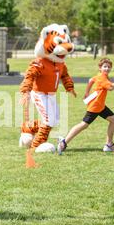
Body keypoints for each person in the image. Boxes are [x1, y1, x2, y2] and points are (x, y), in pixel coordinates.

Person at [19, 24, 76, 152]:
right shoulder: (39, 63)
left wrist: (69, 87)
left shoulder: (60, 64)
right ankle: (37, 145)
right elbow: (29, 76)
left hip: (51, 94)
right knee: (48, 119)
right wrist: (25, 91)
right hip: (39, 94)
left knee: (54, 120)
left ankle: (28, 128)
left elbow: (65, 76)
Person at [57, 58, 114, 154]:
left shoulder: (99, 76)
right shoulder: (102, 77)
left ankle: (109, 144)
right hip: (96, 106)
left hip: (100, 106)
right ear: (100, 68)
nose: (107, 68)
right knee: (83, 125)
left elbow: (91, 80)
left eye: (109, 67)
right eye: (105, 66)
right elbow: (111, 88)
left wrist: (87, 92)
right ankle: (64, 142)